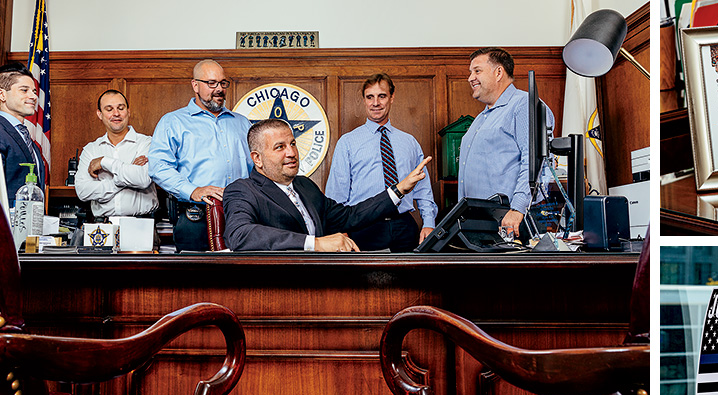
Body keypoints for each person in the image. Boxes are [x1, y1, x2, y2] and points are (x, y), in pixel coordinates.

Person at [223, 119, 431, 252]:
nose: (291, 153)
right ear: (257, 159)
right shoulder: (242, 190)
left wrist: (399, 190)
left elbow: (349, 216)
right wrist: (316, 244)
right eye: (280, 147)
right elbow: (240, 235)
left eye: (293, 144)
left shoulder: (305, 186)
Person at [148, 59, 253, 251]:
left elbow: (257, 168)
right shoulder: (173, 122)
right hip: (196, 218)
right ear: (195, 85)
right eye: (211, 83)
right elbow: (158, 167)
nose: (219, 89)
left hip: (242, 217)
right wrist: (192, 190)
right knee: (195, 279)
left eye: (222, 83)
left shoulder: (243, 123)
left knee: (241, 279)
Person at [326, 74, 437, 252]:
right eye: (370, 97)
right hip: (363, 227)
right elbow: (336, 195)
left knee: (408, 279)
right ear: (364, 100)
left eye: (382, 96)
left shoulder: (409, 142)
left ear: (392, 98)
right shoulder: (347, 142)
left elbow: (423, 189)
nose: (375, 103)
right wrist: (341, 232)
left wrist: (429, 224)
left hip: (404, 227)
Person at [458, 47, 553, 239]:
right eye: (470, 72)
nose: (470, 78)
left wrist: (518, 208)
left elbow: (535, 161)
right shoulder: (482, 117)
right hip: (480, 221)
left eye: (477, 71)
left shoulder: (524, 105)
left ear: (498, 72)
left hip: (512, 220)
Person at [74, 90, 158, 218]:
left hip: (142, 224)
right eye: (109, 109)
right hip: (102, 227)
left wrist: (104, 162)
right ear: (100, 114)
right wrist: (124, 176)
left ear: (128, 112)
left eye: (121, 108)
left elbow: (143, 179)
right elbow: (83, 191)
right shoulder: (91, 150)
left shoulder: (147, 143)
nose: (116, 113)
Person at [0, 62, 45, 205]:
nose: (33, 96)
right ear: (1, 94)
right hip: (6, 223)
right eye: (24, 90)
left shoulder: (25, 136)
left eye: (34, 91)